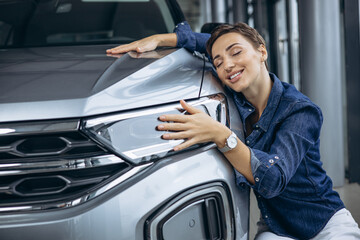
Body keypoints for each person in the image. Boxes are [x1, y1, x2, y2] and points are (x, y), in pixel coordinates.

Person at [107, 22, 360, 239]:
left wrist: (221, 135)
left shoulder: (301, 111)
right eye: (218, 62)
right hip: (277, 227)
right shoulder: (234, 97)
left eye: (236, 53)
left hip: (324, 223)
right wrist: (161, 39)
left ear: (262, 51)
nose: (227, 65)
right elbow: (206, 42)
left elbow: (273, 179)